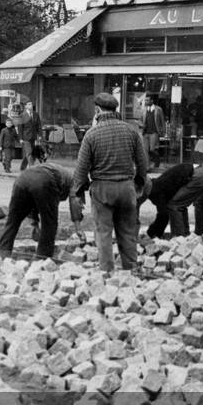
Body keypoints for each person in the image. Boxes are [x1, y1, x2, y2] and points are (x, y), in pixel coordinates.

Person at [71, 92, 148, 272]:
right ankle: (131, 270)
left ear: (97, 110)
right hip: (127, 187)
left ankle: (107, 273)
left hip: (102, 189)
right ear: (115, 109)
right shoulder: (131, 131)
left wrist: (78, 191)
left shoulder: (91, 135)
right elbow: (143, 162)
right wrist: (139, 183)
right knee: (128, 233)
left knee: (103, 233)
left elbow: (81, 169)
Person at [0, 163, 84, 259]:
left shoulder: (60, 172)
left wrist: (34, 224)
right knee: (49, 224)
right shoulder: (75, 181)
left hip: (21, 179)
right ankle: (42, 259)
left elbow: (32, 201)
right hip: (44, 180)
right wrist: (78, 227)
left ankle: (2, 254)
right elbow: (75, 201)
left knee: (12, 220)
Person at [143, 162, 203, 238]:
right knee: (180, 205)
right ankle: (185, 234)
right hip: (202, 172)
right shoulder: (158, 184)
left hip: (198, 176)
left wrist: (152, 233)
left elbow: (163, 215)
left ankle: (179, 238)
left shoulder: (155, 191)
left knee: (174, 205)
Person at [142, 96, 167, 168]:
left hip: (154, 132)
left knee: (152, 149)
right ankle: (147, 167)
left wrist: (164, 131)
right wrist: (141, 125)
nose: (146, 102)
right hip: (145, 132)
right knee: (145, 151)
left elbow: (162, 121)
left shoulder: (158, 109)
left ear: (152, 101)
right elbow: (140, 120)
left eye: (147, 100)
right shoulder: (144, 109)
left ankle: (157, 161)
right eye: (145, 100)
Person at [18, 101, 42, 171]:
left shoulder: (36, 114)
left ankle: (22, 167)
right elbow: (20, 128)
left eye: (31, 104)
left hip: (33, 137)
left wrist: (40, 135)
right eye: (28, 104)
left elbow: (39, 126)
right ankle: (32, 168)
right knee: (29, 152)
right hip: (25, 137)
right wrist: (20, 138)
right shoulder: (22, 115)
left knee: (29, 152)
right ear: (25, 106)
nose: (30, 105)